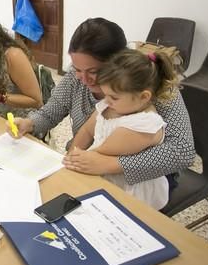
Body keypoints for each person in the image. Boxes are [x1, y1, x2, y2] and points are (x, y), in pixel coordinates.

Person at [8, 17, 195, 192]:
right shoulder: (76, 78)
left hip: (141, 184)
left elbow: (182, 152)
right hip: (88, 167)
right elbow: (50, 113)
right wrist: (29, 124)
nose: (84, 79)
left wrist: (110, 164)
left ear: (118, 63)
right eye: (77, 69)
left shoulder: (150, 86)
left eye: (94, 71)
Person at [67, 49, 180, 209]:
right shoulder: (112, 105)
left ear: (144, 97)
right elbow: (86, 131)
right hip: (101, 174)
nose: (107, 100)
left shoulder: (145, 124)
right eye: (106, 94)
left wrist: (73, 163)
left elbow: (99, 153)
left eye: (113, 97)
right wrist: (71, 154)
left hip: (131, 193)